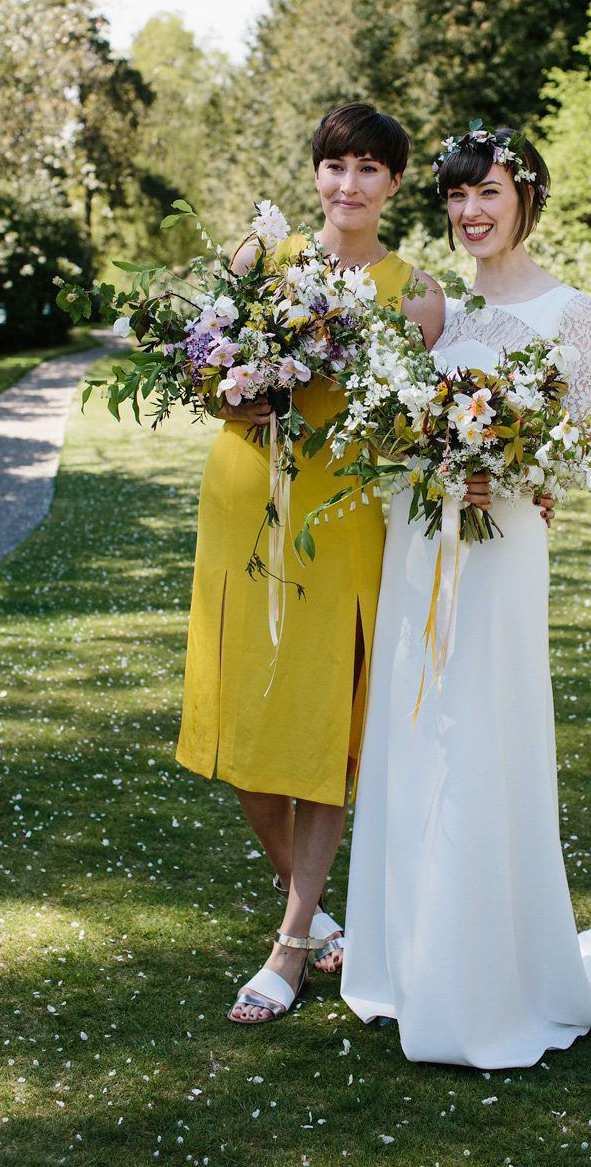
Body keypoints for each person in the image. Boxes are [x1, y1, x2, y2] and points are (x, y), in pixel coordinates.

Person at [341, 125, 591, 1067]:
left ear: (525, 197)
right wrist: (429, 451)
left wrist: (509, 471)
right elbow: (399, 417)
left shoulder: (569, 310)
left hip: (504, 547)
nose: (470, 212)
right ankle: (409, 961)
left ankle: (491, 978)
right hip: (419, 542)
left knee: (486, 731)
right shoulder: (438, 309)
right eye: (454, 197)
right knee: (416, 731)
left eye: (486, 192)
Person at [176, 103, 444, 1024]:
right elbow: (199, 365)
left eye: (370, 169)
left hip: (345, 517)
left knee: (325, 723)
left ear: (395, 185)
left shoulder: (419, 295)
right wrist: (228, 395)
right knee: (250, 733)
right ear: (316, 173)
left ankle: (290, 946)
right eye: (336, 165)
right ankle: (322, 908)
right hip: (246, 499)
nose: (348, 185)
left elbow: (415, 421)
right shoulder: (263, 261)